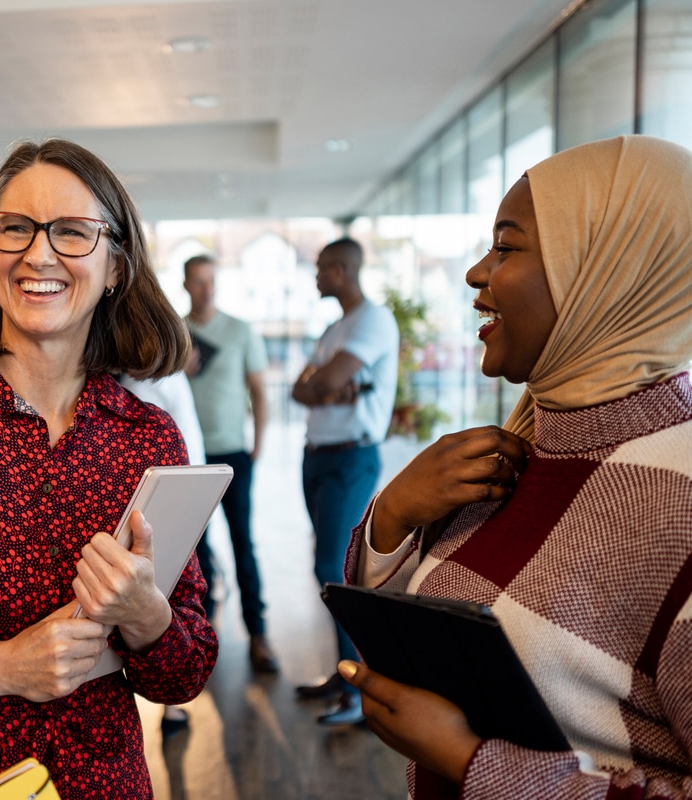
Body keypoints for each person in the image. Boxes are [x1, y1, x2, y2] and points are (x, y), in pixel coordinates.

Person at [335, 135, 692, 798]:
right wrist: (393, 514)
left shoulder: (679, 498)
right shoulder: (518, 447)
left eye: (507, 246)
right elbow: (416, 631)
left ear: (605, 269)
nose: (476, 273)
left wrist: (470, 761)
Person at [0, 139, 218, 799]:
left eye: (72, 232)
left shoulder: (147, 438)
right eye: (15, 228)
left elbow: (184, 676)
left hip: (105, 781)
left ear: (117, 266)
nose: (38, 254)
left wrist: (147, 615)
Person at [292, 237, 399, 725]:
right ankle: (345, 673)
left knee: (334, 569)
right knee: (328, 566)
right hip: (317, 457)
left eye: (320, 268)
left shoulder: (373, 319)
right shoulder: (335, 327)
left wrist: (324, 386)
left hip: (349, 458)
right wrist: (322, 386)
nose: (315, 276)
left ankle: (361, 691)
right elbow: (302, 389)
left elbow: (325, 383)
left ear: (340, 270)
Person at [182, 254, 278, 672]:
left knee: (243, 543)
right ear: (186, 285)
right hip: (187, 459)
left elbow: (258, 389)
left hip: (232, 453)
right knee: (194, 551)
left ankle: (258, 635)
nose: (207, 289)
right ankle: (202, 634)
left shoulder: (240, 331)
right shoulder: (175, 333)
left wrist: (257, 444)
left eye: (212, 281)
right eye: (199, 282)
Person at [118, 370, 206, 738]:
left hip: (175, 491)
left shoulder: (159, 387)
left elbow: (187, 446)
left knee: (167, 591)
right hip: (155, 493)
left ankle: (172, 711)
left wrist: (191, 507)